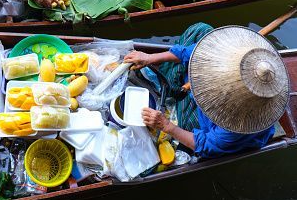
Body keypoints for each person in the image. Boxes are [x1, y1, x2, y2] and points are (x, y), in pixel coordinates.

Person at [124, 25, 289, 159]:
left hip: (209, 123)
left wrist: (167, 126)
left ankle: (171, 88)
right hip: (219, 83)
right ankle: (169, 80)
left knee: (182, 118)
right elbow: (189, 51)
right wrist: (150, 58)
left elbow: (204, 145)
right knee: (200, 30)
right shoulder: (232, 54)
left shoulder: (235, 126)